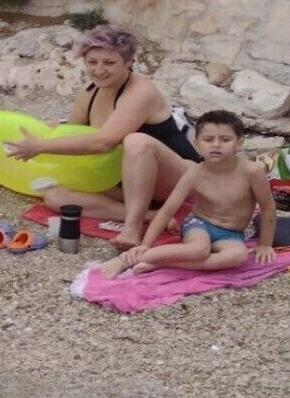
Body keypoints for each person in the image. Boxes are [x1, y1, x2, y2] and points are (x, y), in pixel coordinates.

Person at [6, 24, 199, 244]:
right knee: (56, 196)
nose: (99, 70)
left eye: (109, 63)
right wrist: (44, 134)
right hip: (126, 178)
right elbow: (72, 133)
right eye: (92, 62)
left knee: (136, 142)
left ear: (128, 62)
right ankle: (151, 216)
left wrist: (41, 146)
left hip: (176, 178)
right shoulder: (89, 92)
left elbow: (104, 142)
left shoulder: (140, 92)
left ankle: (132, 229)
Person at [101, 111, 276, 276]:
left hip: (231, 233)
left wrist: (265, 244)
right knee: (198, 250)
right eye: (208, 139)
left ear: (239, 143)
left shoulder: (251, 172)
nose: (216, 145)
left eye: (225, 139)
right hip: (199, 224)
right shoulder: (195, 173)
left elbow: (268, 208)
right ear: (196, 143)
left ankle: (164, 263)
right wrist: (145, 244)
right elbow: (167, 210)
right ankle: (129, 259)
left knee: (237, 257)